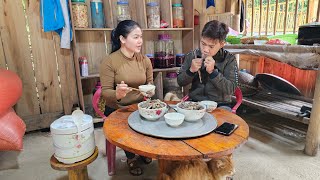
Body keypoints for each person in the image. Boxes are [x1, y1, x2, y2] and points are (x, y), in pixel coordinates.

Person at [99, 20, 154, 176]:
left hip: (138, 106)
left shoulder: (145, 60)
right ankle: (131, 157)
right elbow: (105, 92)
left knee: (156, 122)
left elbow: (149, 83)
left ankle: (143, 151)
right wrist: (117, 94)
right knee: (126, 127)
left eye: (141, 37)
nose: (140, 41)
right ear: (122, 39)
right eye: (136, 37)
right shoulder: (109, 62)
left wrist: (149, 92)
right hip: (117, 108)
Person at [177, 20, 238, 108]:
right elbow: (180, 82)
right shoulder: (192, 55)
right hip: (195, 103)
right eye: (203, 44)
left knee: (223, 121)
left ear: (222, 44)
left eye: (211, 46)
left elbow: (231, 89)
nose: (205, 49)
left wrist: (213, 73)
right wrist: (190, 71)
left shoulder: (229, 59)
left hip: (220, 104)